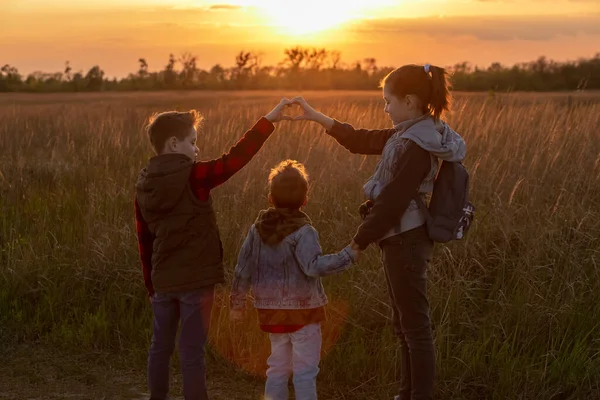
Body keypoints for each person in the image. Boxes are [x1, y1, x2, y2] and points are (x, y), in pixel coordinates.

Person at [290, 64, 466, 400]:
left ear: (410, 101)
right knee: (405, 325)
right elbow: (360, 139)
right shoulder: (408, 133)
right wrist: (315, 116)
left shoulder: (416, 143)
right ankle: (406, 392)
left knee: (415, 326)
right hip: (400, 238)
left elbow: (392, 202)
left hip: (406, 239)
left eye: (388, 101)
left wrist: (359, 241)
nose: (384, 108)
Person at [134, 98, 294, 400]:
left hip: (163, 281)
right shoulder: (194, 176)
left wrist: (151, 284)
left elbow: (144, 239)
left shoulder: (144, 183)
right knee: (192, 351)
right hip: (197, 281)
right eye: (192, 142)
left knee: (160, 346)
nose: (196, 149)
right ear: (172, 144)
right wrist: (268, 121)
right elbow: (234, 159)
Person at [229, 159, 359, 400]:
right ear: (305, 200)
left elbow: (242, 267)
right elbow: (313, 267)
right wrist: (347, 255)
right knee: (305, 372)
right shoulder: (304, 231)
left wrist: (237, 305)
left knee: (276, 368)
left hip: (271, 312)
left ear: (270, 198)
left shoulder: (257, 230)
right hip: (304, 313)